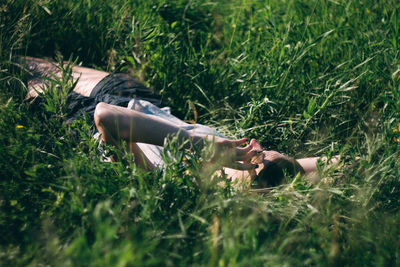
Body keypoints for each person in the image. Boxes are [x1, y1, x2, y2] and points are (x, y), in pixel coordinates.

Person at [20, 56, 340, 189]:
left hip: (85, 119)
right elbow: (341, 163)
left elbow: (105, 117)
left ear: (239, 185)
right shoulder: (267, 176)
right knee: (23, 57)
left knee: (12, 76)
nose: (254, 145)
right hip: (137, 98)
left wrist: (203, 144)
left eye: (255, 158)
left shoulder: (169, 182)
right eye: (265, 149)